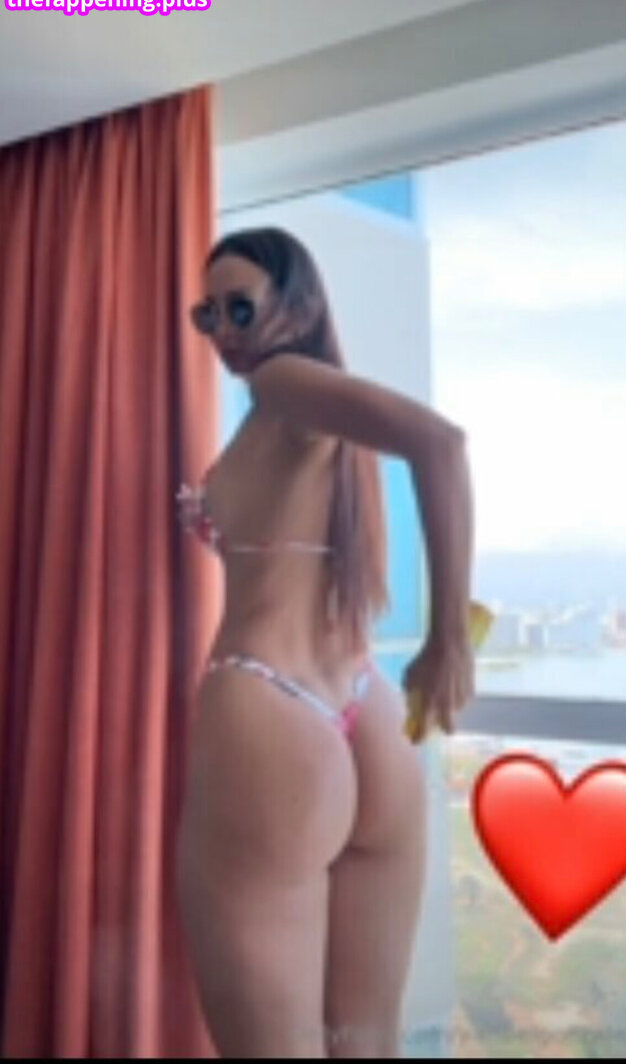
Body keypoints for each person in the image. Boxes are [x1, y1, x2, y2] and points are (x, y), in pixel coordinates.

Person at [174, 226, 475, 1058]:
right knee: (365, 1043)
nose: (224, 333)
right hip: (359, 709)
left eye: (240, 308)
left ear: (295, 305)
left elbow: (441, 444)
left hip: (268, 713)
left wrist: (451, 636)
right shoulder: (302, 412)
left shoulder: (281, 383)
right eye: (207, 315)